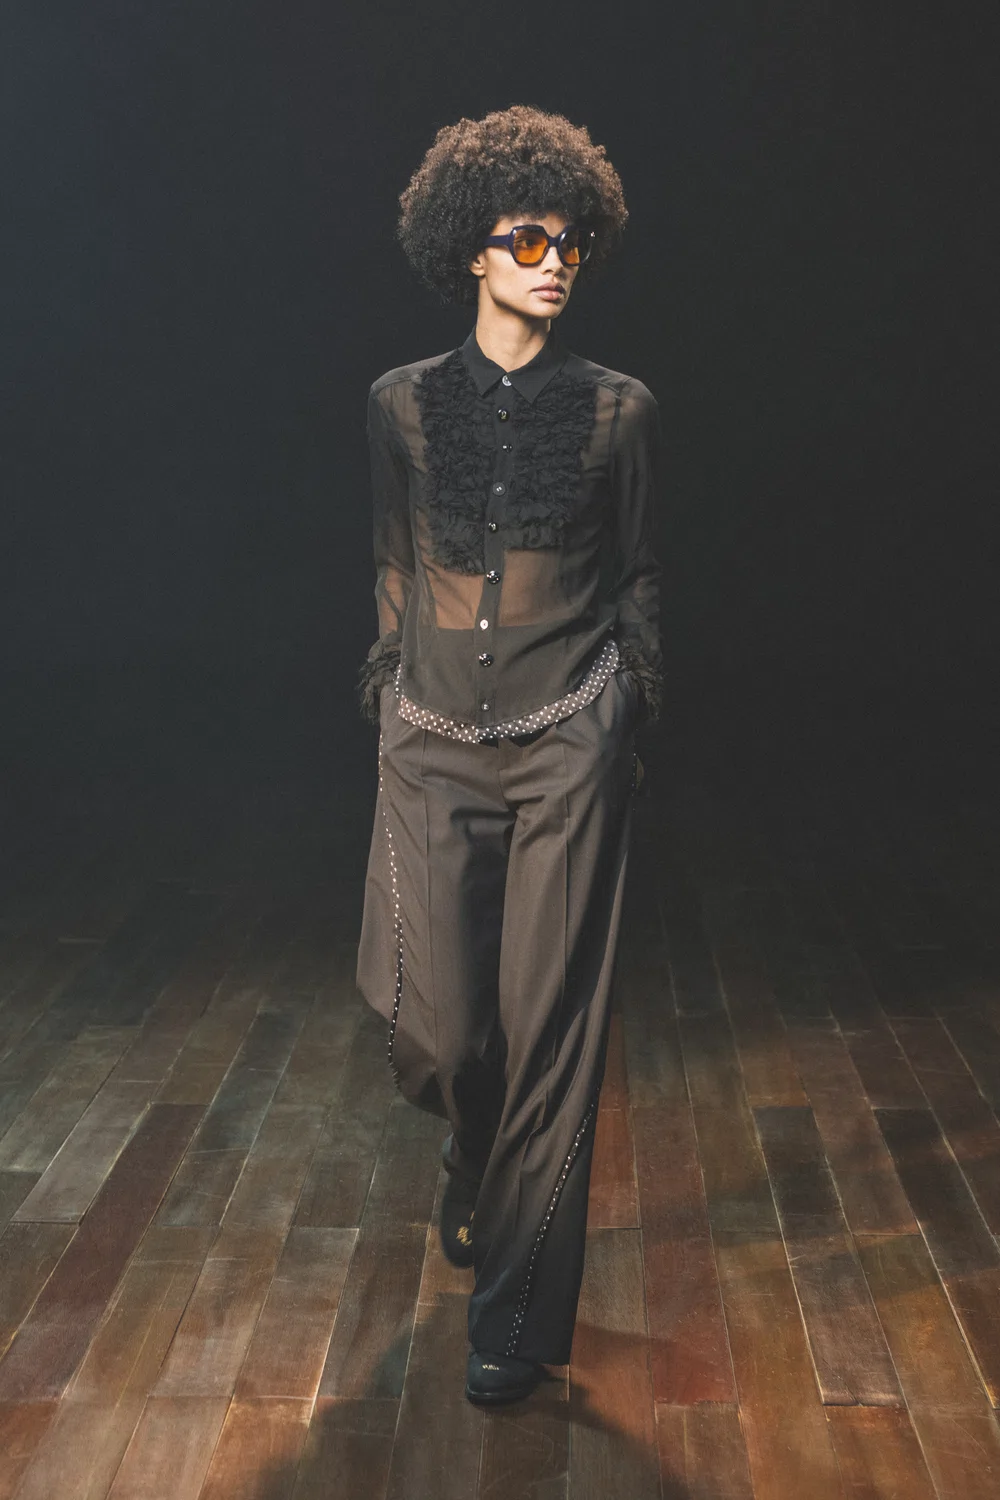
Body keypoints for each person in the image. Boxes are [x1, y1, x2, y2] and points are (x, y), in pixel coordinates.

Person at [355, 104, 662, 1406]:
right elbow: (392, 562)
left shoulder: (617, 412)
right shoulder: (402, 406)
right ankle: (472, 1156)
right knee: (439, 1030)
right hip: (431, 748)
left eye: (568, 242)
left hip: (567, 750)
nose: (553, 261)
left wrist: (626, 705)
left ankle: (516, 1323)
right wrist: (388, 689)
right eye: (527, 239)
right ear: (471, 250)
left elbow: (637, 576)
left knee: (554, 1036)